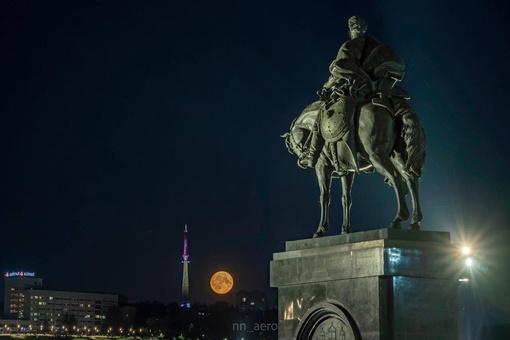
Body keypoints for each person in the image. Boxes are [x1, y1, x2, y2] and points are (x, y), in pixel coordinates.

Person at [298, 16, 425, 175]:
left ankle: (311, 156)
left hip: (355, 92)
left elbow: (339, 69)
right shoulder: (377, 47)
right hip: (377, 91)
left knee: (321, 116)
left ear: (350, 30)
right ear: (363, 29)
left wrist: (326, 86)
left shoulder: (349, 46)